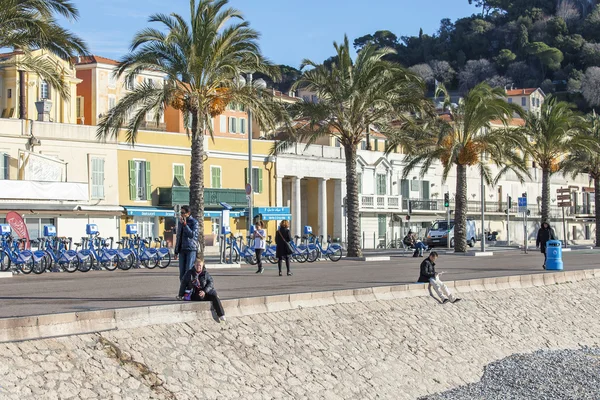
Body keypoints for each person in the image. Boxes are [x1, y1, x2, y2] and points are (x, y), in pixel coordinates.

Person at [177, 255, 226, 322]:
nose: (198, 267)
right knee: (200, 297)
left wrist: (204, 291)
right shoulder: (189, 273)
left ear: (202, 266)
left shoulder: (205, 274)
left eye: (200, 265)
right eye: (197, 265)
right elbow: (183, 284)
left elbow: (210, 283)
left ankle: (221, 315)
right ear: (194, 265)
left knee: (214, 296)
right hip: (194, 294)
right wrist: (180, 295)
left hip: (204, 292)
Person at [174, 205, 199, 281]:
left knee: (189, 270)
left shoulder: (194, 222)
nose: (181, 214)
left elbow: (192, 235)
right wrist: (176, 251)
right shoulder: (180, 222)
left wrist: (185, 225)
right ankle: (182, 290)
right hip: (182, 249)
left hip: (191, 249)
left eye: (183, 212)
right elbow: (179, 237)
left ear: (188, 213)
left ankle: (190, 289)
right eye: (180, 212)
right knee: (182, 272)